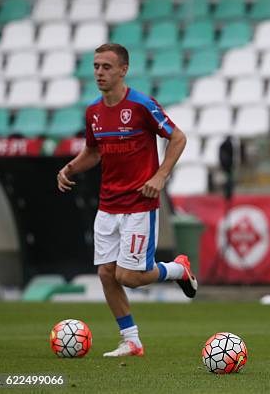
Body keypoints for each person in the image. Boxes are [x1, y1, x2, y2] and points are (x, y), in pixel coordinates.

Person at [57, 43, 196, 357]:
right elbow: (93, 152)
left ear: (123, 70)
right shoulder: (93, 111)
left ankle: (177, 270)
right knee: (107, 273)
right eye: (96, 67)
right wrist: (70, 167)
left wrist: (160, 176)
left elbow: (178, 137)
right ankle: (131, 340)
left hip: (139, 205)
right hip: (108, 206)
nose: (100, 73)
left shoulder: (141, 105)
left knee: (129, 276)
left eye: (106, 67)